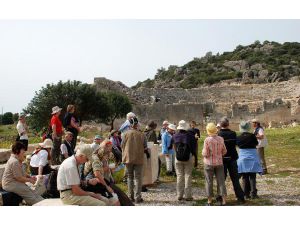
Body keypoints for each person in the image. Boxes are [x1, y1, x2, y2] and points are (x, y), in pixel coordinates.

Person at [82, 139, 133, 206]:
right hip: (94, 183)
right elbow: (97, 174)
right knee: (117, 197)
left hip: (102, 181)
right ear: (103, 149)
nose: (110, 152)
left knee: (120, 196)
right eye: (108, 150)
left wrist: (111, 170)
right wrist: (107, 186)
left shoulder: (104, 156)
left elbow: (106, 169)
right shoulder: (95, 158)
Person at [217, 117, 245, 203]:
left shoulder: (218, 134)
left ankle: (220, 197)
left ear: (220, 125)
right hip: (232, 158)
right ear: (228, 124)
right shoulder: (233, 133)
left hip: (222, 159)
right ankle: (240, 197)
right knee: (235, 179)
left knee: (221, 179)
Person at [121, 117, 148, 203]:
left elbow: (122, 146)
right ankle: (138, 197)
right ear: (136, 124)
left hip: (128, 158)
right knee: (138, 178)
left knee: (130, 177)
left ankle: (130, 197)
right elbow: (145, 147)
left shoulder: (125, 134)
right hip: (138, 158)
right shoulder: (142, 134)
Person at [202, 123, 227, 206]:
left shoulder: (207, 140)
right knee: (221, 181)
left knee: (209, 181)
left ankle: (209, 201)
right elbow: (224, 151)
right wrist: (219, 155)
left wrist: (203, 154)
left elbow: (205, 153)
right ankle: (223, 201)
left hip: (209, 163)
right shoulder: (221, 139)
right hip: (219, 162)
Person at [237, 121, 262, 199]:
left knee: (244, 176)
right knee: (252, 176)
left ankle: (245, 193)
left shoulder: (239, 137)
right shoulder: (252, 136)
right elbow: (256, 144)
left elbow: (238, 145)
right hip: (252, 157)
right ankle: (253, 193)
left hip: (243, 157)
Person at [172, 120, 197, 201]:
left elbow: (172, 146)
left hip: (178, 157)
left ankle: (179, 195)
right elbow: (194, 147)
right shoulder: (190, 136)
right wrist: (194, 156)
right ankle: (188, 196)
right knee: (188, 175)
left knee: (179, 176)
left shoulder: (175, 135)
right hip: (188, 157)